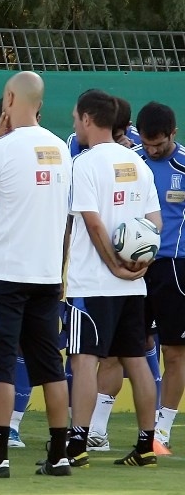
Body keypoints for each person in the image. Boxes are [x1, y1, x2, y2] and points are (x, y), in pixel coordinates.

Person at [0, 71, 72, 478]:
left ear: (8, 98)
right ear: (38, 102)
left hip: (1, 272)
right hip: (46, 274)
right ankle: (59, 455)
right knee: (50, 366)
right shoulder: (61, 149)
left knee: (0, 363)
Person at [64, 89, 161, 468]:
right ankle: (146, 445)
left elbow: (91, 222)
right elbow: (155, 222)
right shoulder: (137, 163)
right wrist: (141, 265)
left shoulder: (85, 164)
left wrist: (114, 265)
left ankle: (77, 444)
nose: (75, 125)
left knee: (84, 359)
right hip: (133, 286)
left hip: (93, 282)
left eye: (75, 118)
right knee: (137, 361)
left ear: (88, 119)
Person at [130, 102, 185, 451]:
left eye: (158, 144)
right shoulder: (130, 161)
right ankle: (97, 431)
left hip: (174, 268)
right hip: (132, 267)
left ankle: (161, 431)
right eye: (147, 143)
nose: (151, 150)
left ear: (173, 134)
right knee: (122, 349)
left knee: (175, 351)